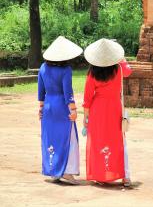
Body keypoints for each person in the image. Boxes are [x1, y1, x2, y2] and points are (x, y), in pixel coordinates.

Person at [82, 38, 132, 187]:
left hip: (98, 110)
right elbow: (129, 71)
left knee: (98, 141)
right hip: (114, 108)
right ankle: (124, 175)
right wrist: (122, 59)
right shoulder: (118, 68)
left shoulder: (93, 72)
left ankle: (100, 175)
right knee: (117, 141)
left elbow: (87, 97)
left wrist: (85, 118)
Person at [38, 36, 83, 184]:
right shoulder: (66, 70)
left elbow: (41, 92)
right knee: (67, 138)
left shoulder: (43, 68)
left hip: (48, 107)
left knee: (50, 138)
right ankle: (67, 172)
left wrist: (41, 108)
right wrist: (73, 110)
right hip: (61, 107)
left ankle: (53, 172)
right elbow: (67, 93)